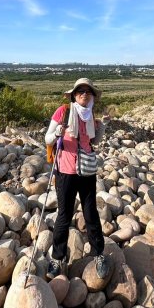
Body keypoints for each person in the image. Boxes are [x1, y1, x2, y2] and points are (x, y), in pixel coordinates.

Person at [45, 78, 111, 280]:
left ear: (92, 96)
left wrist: (103, 126)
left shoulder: (91, 115)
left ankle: (99, 253)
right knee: (64, 215)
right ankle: (58, 257)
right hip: (65, 169)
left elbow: (94, 141)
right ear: (74, 95)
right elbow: (48, 138)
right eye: (80, 91)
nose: (84, 94)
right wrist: (57, 133)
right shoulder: (63, 112)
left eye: (88, 91)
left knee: (90, 212)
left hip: (87, 169)